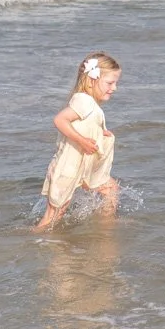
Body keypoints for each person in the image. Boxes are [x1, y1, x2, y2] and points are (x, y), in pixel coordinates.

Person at [34, 52, 121, 232]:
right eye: (110, 83)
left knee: (110, 189)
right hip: (69, 166)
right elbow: (60, 120)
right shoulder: (84, 102)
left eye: (116, 83)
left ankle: (106, 229)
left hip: (84, 165)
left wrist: (101, 132)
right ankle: (31, 240)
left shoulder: (90, 104)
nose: (115, 88)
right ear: (91, 80)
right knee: (54, 215)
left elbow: (85, 123)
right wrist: (82, 141)